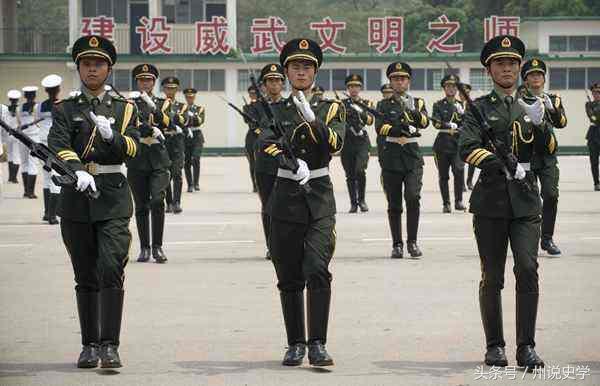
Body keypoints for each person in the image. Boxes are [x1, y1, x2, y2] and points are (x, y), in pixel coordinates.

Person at [459, 35, 553, 371]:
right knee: (493, 276)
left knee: (528, 269)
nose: (508, 68)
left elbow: (548, 150)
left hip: (527, 202)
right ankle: (495, 346)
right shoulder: (479, 108)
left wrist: (542, 123)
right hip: (491, 201)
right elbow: (467, 147)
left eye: (513, 62)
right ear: (489, 69)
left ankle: (526, 346)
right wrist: (500, 164)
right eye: (500, 63)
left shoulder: (533, 105)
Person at [48, 35, 140, 369]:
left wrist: (112, 137)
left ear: (109, 69)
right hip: (76, 198)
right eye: (86, 63)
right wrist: (76, 170)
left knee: (112, 267)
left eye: (98, 64)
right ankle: (89, 345)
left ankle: (109, 345)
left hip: (113, 198)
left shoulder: (125, 108)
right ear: (79, 68)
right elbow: (57, 145)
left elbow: (134, 148)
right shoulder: (65, 109)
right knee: (85, 273)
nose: (92, 69)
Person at [261, 38, 345, 367]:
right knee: (289, 273)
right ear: (285, 71)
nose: (301, 71)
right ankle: (295, 343)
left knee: (318, 269)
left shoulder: (330, 107)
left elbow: (336, 142)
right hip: (285, 196)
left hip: (320, 196)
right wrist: (287, 160)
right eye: (295, 66)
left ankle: (318, 343)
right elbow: (263, 143)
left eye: (307, 66)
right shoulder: (276, 109)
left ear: (316, 72)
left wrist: (315, 122)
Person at [375, 61, 429, 259]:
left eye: (403, 78)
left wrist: (412, 110)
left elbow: (424, 122)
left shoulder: (418, 102)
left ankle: (412, 242)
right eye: (395, 79)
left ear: (409, 81)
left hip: (412, 157)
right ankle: (397, 244)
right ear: (390, 82)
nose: (399, 82)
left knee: (413, 198)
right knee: (395, 203)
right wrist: (395, 129)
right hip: (391, 157)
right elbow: (380, 127)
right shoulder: (383, 104)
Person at [521, 58, 567, 256]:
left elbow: (562, 123)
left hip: (547, 157)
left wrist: (551, 109)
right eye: (532, 75)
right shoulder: (519, 100)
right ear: (525, 80)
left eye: (539, 74)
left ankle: (547, 238)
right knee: (531, 201)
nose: (536, 78)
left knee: (550, 194)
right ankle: (528, 238)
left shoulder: (553, 99)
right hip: (526, 156)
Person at [127, 63, 171, 263]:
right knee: (142, 205)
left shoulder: (163, 102)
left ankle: (158, 247)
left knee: (157, 200)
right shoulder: (128, 103)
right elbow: (125, 127)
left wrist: (157, 113)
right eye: (141, 80)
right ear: (136, 82)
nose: (145, 83)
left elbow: (171, 122)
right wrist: (142, 130)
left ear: (154, 82)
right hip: (137, 157)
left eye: (149, 80)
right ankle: (145, 247)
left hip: (159, 159)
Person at [253, 64, 286, 260]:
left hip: (285, 163)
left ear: (283, 83)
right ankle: (271, 245)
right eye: (270, 81)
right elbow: (260, 132)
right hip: (265, 162)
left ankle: (284, 243)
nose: (274, 84)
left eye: (277, 80)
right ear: (264, 85)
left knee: (285, 205)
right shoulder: (256, 107)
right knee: (268, 205)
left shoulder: (289, 105)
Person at [432, 74, 466, 213]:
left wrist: (462, 114)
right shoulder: (438, 105)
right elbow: (435, 122)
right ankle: (446, 203)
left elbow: (468, 124)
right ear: (444, 88)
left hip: (457, 143)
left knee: (459, 171)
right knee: (443, 175)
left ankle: (458, 201)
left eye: (453, 86)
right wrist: (447, 125)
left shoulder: (462, 105)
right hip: (443, 143)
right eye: (448, 86)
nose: (451, 88)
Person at [341, 74, 373, 213]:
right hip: (348, 141)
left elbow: (371, 121)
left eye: (356, 86)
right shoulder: (341, 104)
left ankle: (362, 200)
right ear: (347, 88)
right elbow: (338, 121)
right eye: (351, 86)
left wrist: (359, 111)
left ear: (360, 88)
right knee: (350, 174)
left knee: (360, 170)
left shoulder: (366, 103)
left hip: (361, 141)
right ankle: (353, 203)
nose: (354, 89)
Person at [38, 74, 63, 224]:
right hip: (55, 145)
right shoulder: (62, 104)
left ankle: (47, 213)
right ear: (59, 89)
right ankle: (53, 216)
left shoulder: (39, 106)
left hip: (42, 145)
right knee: (55, 177)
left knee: (47, 178)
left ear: (46, 90)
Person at [162, 77, 187, 213]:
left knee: (177, 172)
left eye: (172, 88)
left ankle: (177, 202)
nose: (170, 90)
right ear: (164, 89)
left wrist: (169, 115)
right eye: (167, 88)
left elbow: (184, 120)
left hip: (177, 141)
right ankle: (169, 202)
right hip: (164, 140)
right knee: (166, 173)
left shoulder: (182, 106)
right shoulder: (159, 104)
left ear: (177, 89)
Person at [182, 88, 205, 192]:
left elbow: (199, 121)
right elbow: (181, 121)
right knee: (187, 161)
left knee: (196, 158)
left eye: (191, 97)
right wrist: (189, 118)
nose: (189, 98)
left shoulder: (199, 109)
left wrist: (190, 118)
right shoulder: (182, 108)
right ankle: (190, 184)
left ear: (194, 97)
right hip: (186, 135)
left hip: (197, 136)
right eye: (187, 97)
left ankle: (196, 183)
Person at [19, 85, 40, 198]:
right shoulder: (38, 107)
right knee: (33, 164)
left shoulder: (20, 107)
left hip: (22, 138)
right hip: (34, 138)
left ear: (25, 96)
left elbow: (19, 123)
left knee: (24, 163)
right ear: (35, 95)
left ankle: (26, 191)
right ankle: (30, 192)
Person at [243, 85, 260, 192]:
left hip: (262, 135)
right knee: (252, 162)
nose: (252, 95)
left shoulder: (263, 106)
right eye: (251, 93)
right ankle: (255, 184)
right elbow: (246, 120)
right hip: (252, 135)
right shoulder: (246, 107)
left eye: (254, 93)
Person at [4, 90, 21, 184]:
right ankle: (14, 178)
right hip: (17, 135)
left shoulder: (6, 109)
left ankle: (10, 178)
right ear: (18, 99)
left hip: (8, 134)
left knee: (10, 155)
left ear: (10, 99)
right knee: (16, 156)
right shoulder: (20, 109)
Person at [585, 82, 600, 191]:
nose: (596, 94)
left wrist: (596, 112)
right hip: (593, 135)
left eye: (599, 92)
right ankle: (596, 183)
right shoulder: (589, 104)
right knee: (594, 161)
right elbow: (592, 118)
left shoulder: (593, 106)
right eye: (594, 92)